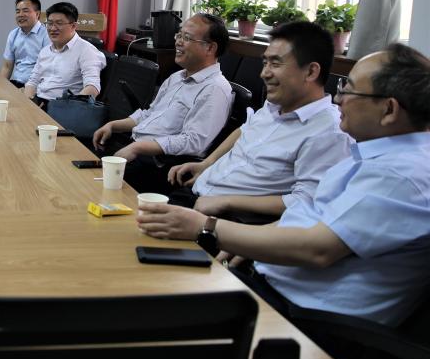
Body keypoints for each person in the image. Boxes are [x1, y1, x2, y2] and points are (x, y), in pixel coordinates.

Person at [138, 43, 430, 327]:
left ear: (389, 109)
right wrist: (256, 243)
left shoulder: (401, 174)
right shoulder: (374, 155)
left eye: (349, 90)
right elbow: (310, 214)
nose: (339, 99)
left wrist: (207, 228)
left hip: (302, 318)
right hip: (267, 281)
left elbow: (318, 250)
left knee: (148, 304)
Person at [167, 21, 353, 220]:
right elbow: (245, 130)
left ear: (311, 72)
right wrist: (207, 163)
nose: (264, 73)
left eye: (275, 64)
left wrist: (226, 201)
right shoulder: (275, 104)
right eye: (265, 63)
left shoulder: (328, 132)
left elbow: (305, 201)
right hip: (196, 192)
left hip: (230, 219)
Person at [92, 12, 233, 194]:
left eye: (187, 38)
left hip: (159, 166)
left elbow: (194, 142)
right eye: (179, 35)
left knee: (92, 188)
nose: (178, 42)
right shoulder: (177, 77)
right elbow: (150, 114)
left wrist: (139, 147)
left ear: (210, 48)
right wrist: (113, 125)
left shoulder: (215, 89)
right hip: (135, 148)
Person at [24, 2, 106, 105]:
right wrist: (28, 102)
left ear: (73, 26)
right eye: (49, 23)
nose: (53, 28)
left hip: (64, 106)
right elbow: (33, 81)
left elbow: (93, 87)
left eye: (59, 23)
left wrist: (69, 108)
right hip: (39, 102)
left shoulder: (86, 50)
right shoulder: (45, 51)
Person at [1, 0, 49, 88]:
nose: (20, 15)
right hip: (16, 84)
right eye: (17, 11)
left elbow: (48, 69)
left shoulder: (46, 35)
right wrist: (1, 88)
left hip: (38, 87)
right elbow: (7, 66)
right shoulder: (13, 34)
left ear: (37, 14)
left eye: (25, 11)